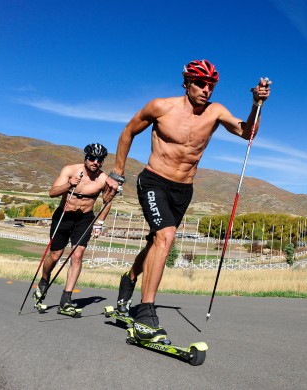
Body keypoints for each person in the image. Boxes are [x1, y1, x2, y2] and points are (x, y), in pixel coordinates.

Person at [101, 59, 270, 342]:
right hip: (154, 180)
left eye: (210, 86)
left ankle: (129, 279)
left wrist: (256, 104)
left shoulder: (215, 112)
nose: (206, 90)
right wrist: (117, 173)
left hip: (184, 190)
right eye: (200, 84)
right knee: (165, 238)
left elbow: (247, 133)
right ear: (186, 83)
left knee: (156, 243)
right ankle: (146, 314)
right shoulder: (161, 107)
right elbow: (128, 132)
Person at [34, 143, 113, 317]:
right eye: (92, 158)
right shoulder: (70, 170)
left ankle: (66, 299)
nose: (95, 162)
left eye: (99, 160)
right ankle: (44, 281)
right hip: (64, 216)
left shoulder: (103, 179)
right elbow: (52, 192)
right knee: (55, 255)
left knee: (77, 255)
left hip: (84, 219)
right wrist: (69, 185)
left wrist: (99, 223)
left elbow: (108, 202)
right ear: (85, 158)